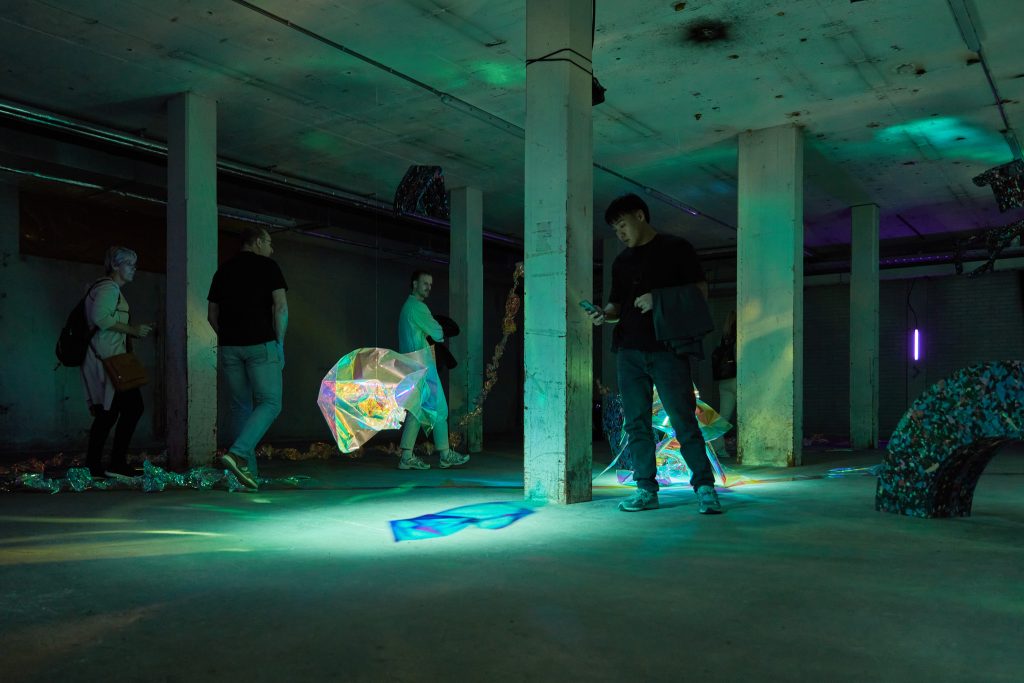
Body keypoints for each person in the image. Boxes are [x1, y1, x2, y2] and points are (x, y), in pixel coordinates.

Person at [590, 193, 722, 514]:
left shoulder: (676, 248)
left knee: (683, 420)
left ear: (640, 215)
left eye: (622, 224)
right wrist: (602, 314)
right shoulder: (622, 262)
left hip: (667, 349)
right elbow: (616, 305)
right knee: (635, 423)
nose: (620, 233)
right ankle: (645, 489)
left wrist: (657, 299)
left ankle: (704, 487)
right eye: (615, 228)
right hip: (629, 351)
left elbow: (700, 292)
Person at [207, 227, 288, 490]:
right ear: (257, 242)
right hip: (260, 344)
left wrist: (229, 337)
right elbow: (281, 307)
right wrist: (280, 343)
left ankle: (247, 474)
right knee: (271, 403)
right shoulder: (268, 266)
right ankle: (238, 453)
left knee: (240, 407)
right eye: (269, 243)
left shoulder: (222, 271)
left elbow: (212, 315)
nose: (272, 249)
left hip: (229, 347)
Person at [82, 246, 154, 478]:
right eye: (130, 264)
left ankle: (99, 464)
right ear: (115, 265)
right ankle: (111, 462)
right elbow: (100, 318)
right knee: (129, 408)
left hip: (109, 357)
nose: (134, 269)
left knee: (110, 411)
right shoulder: (108, 288)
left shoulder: (106, 288)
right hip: (108, 358)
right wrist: (132, 329)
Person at [396, 270, 470, 470]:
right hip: (422, 366)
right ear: (414, 284)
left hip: (412, 364)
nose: (428, 287)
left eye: (430, 284)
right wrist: (435, 330)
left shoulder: (407, 308)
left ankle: (407, 456)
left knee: (417, 411)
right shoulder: (418, 308)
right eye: (425, 283)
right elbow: (438, 332)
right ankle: (444, 454)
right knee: (438, 409)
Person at [711, 309, 737, 457]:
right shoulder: (741, 336)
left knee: (723, 418)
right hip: (738, 380)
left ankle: (718, 447)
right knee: (745, 416)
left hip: (724, 381)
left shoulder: (723, 338)